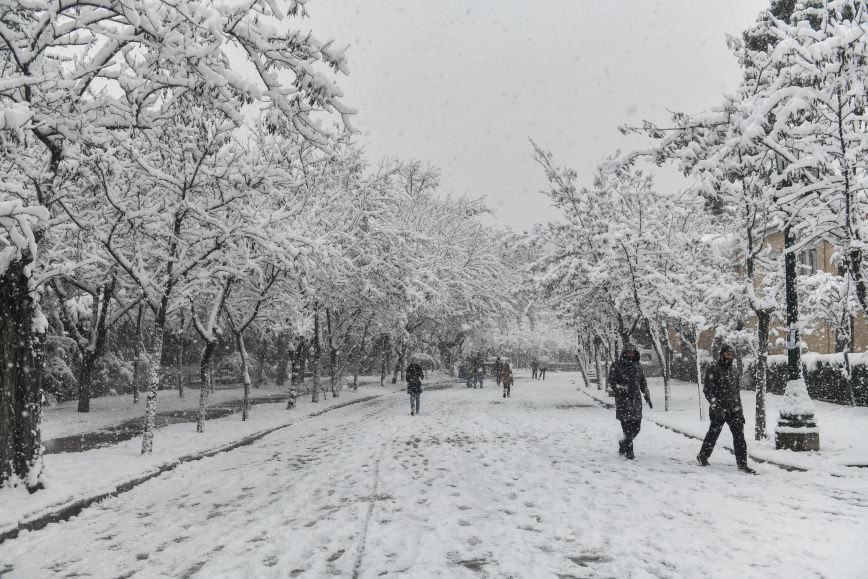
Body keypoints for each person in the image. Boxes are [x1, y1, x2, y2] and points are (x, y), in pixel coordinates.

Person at [697, 344, 756, 474]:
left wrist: (740, 411)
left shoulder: (734, 370)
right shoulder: (713, 369)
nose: (730, 356)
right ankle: (703, 455)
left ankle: (742, 464)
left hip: (734, 410)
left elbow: (736, 392)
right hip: (719, 409)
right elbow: (708, 390)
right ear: (722, 354)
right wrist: (716, 406)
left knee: (739, 436)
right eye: (728, 354)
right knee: (713, 434)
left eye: (732, 354)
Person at [608, 344, 652, 460]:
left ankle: (623, 444)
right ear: (624, 353)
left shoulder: (638, 366)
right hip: (623, 401)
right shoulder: (616, 365)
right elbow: (612, 382)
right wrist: (621, 389)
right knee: (627, 428)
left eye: (633, 352)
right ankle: (629, 452)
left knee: (637, 428)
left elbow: (643, 381)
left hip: (636, 401)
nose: (631, 354)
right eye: (629, 352)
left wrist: (646, 394)